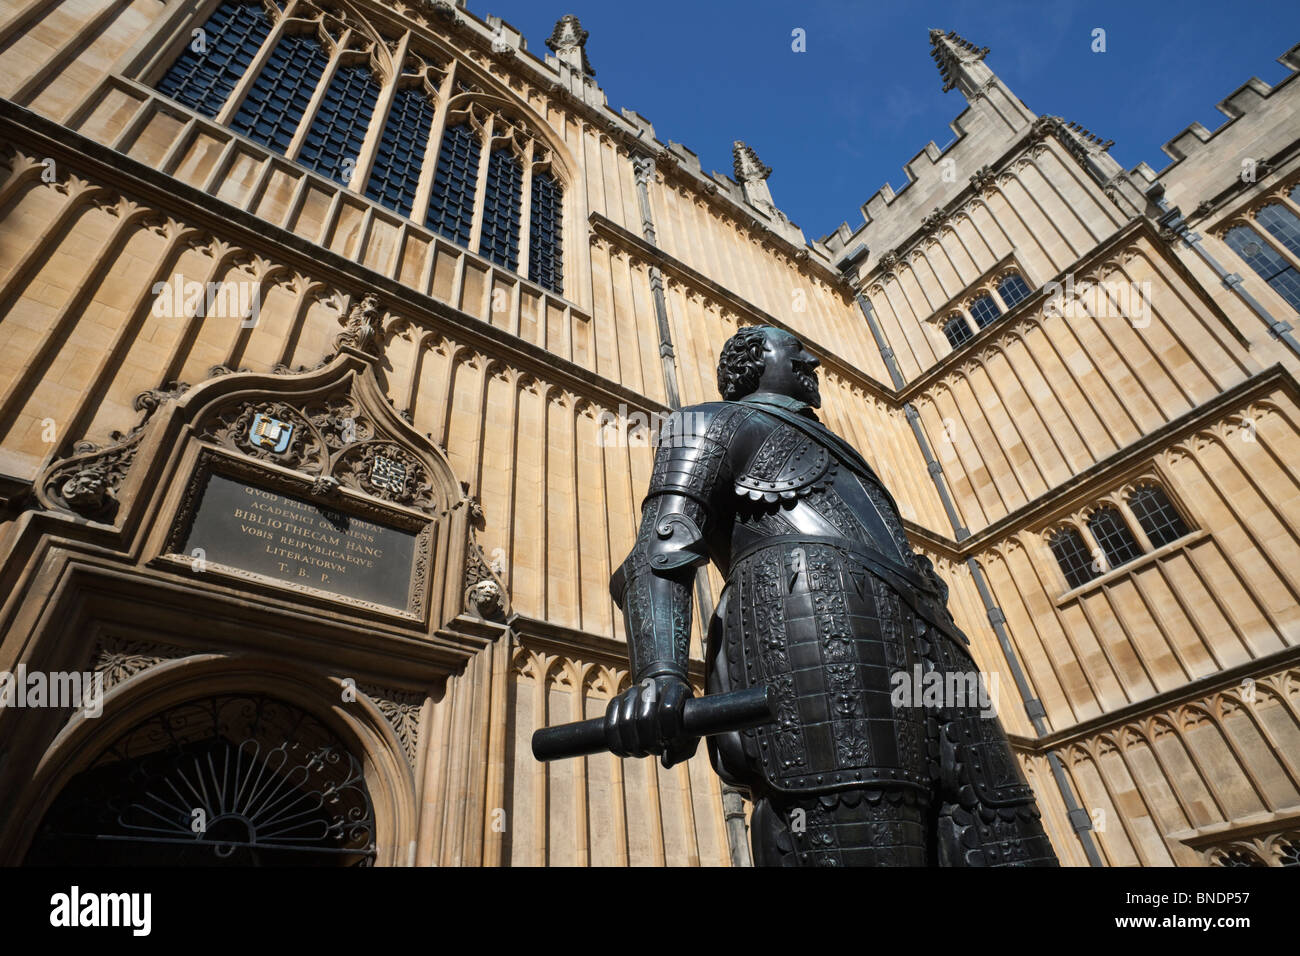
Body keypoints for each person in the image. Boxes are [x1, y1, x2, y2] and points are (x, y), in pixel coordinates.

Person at [605, 325, 1058, 866]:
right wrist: (660, 675)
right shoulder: (707, 423)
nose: (811, 358)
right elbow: (660, 549)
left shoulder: (848, 457)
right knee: (861, 833)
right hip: (820, 640)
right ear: (752, 362)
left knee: (1007, 838)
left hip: (938, 652)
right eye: (793, 350)